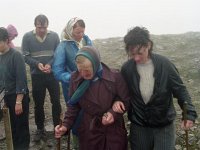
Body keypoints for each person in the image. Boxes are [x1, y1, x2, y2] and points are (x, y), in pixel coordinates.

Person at [113, 26, 198, 150]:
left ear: (148, 45)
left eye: (140, 53)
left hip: (163, 125)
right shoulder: (127, 68)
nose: (136, 58)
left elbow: (180, 90)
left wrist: (189, 114)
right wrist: (117, 100)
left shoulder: (165, 65)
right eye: (132, 54)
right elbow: (121, 92)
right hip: (139, 125)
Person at [55, 46, 130, 150]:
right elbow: (73, 106)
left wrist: (113, 113)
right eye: (80, 70)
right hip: (90, 130)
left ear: (95, 64)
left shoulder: (115, 76)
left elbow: (126, 101)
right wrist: (65, 125)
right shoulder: (75, 78)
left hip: (113, 130)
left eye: (86, 70)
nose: (83, 73)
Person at [52, 17, 92, 149]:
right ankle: (77, 144)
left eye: (82, 32)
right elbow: (57, 71)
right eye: (77, 33)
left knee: (90, 115)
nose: (80, 36)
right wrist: (74, 77)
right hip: (73, 89)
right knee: (76, 117)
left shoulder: (87, 40)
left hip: (90, 87)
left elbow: (95, 59)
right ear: (70, 31)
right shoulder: (63, 46)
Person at [21, 14, 61, 142]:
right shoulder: (27, 37)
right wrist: (37, 64)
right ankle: (40, 129)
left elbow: (57, 54)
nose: (42, 30)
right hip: (37, 76)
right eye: (39, 27)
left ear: (47, 25)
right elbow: (25, 56)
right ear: (35, 26)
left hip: (52, 75)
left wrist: (50, 64)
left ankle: (57, 126)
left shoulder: (54, 36)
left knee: (56, 101)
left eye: (44, 27)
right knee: (38, 104)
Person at [0, 27, 30, 150]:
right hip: (5, 96)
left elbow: (21, 80)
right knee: (11, 127)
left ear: (6, 40)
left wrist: (18, 102)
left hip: (17, 97)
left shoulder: (16, 55)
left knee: (20, 127)